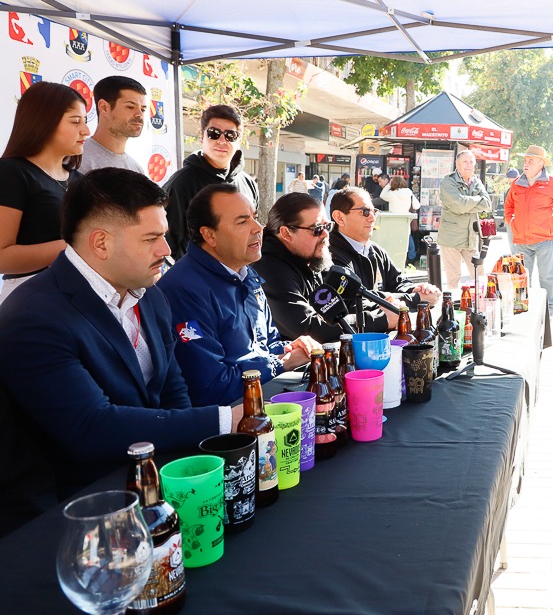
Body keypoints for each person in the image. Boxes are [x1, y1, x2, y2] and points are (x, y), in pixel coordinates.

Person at [0, 168, 229, 538]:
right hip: (75, 520)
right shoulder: (33, 316)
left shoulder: (150, 292)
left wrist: (184, 472)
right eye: (151, 238)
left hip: (150, 492)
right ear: (101, 243)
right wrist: (221, 420)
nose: (167, 251)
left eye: (165, 236)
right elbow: (91, 427)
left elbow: (171, 387)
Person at [158, 184, 316, 407]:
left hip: (259, 399)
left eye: (255, 217)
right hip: (224, 424)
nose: (258, 228)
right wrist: (282, 363)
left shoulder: (245, 272)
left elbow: (265, 346)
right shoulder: (183, 290)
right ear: (209, 235)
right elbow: (210, 388)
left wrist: (290, 348)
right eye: (242, 222)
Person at [0, 82, 89, 306]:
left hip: (77, 295)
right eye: (75, 121)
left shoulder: (78, 179)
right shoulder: (11, 172)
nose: (85, 131)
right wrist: (75, 247)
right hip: (30, 296)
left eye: (85, 121)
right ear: (44, 122)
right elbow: (2, 257)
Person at [328, 187, 440, 331]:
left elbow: (398, 282)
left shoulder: (375, 250)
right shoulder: (331, 255)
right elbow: (357, 302)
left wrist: (418, 289)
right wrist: (416, 298)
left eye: (374, 211)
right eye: (365, 212)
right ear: (339, 217)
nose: (372, 218)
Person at [163, 104, 259, 261]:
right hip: (198, 278)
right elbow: (169, 243)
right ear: (202, 137)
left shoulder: (248, 183)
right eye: (214, 134)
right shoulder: (181, 183)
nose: (222, 141)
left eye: (230, 135)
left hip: (241, 276)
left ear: (239, 140)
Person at [251, 192, 347, 343]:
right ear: (286, 233)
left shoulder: (309, 255)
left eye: (327, 226)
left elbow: (345, 297)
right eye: (316, 229)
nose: (325, 234)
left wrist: (380, 306)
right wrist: (382, 320)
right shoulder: (269, 269)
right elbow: (310, 329)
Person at [504, 145, 553, 316]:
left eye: (531, 161)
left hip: (545, 241)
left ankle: (548, 308)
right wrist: (511, 222)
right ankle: (521, 308)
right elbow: (508, 206)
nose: (526, 164)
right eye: (525, 160)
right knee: (521, 278)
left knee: (546, 278)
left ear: (541, 164)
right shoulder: (517, 184)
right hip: (521, 241)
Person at [437, 150, 491, 290]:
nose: (469, 165)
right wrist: (477, 201)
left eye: (471, 162)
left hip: (470, 238)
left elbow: (488, 204)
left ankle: (479, 306)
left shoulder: (476, 181)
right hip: (451, 238)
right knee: (454, 279)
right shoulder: (448, 181)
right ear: (457, 164)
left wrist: (468, 204)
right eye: (465, 162)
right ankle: (453, 309)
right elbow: (459, 205)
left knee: (480, 276)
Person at [78, 75, 147, 174]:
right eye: (130, 107)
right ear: (104, 107)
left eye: (143, 109)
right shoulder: (76, 162)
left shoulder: (137, 170)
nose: (140, 115)